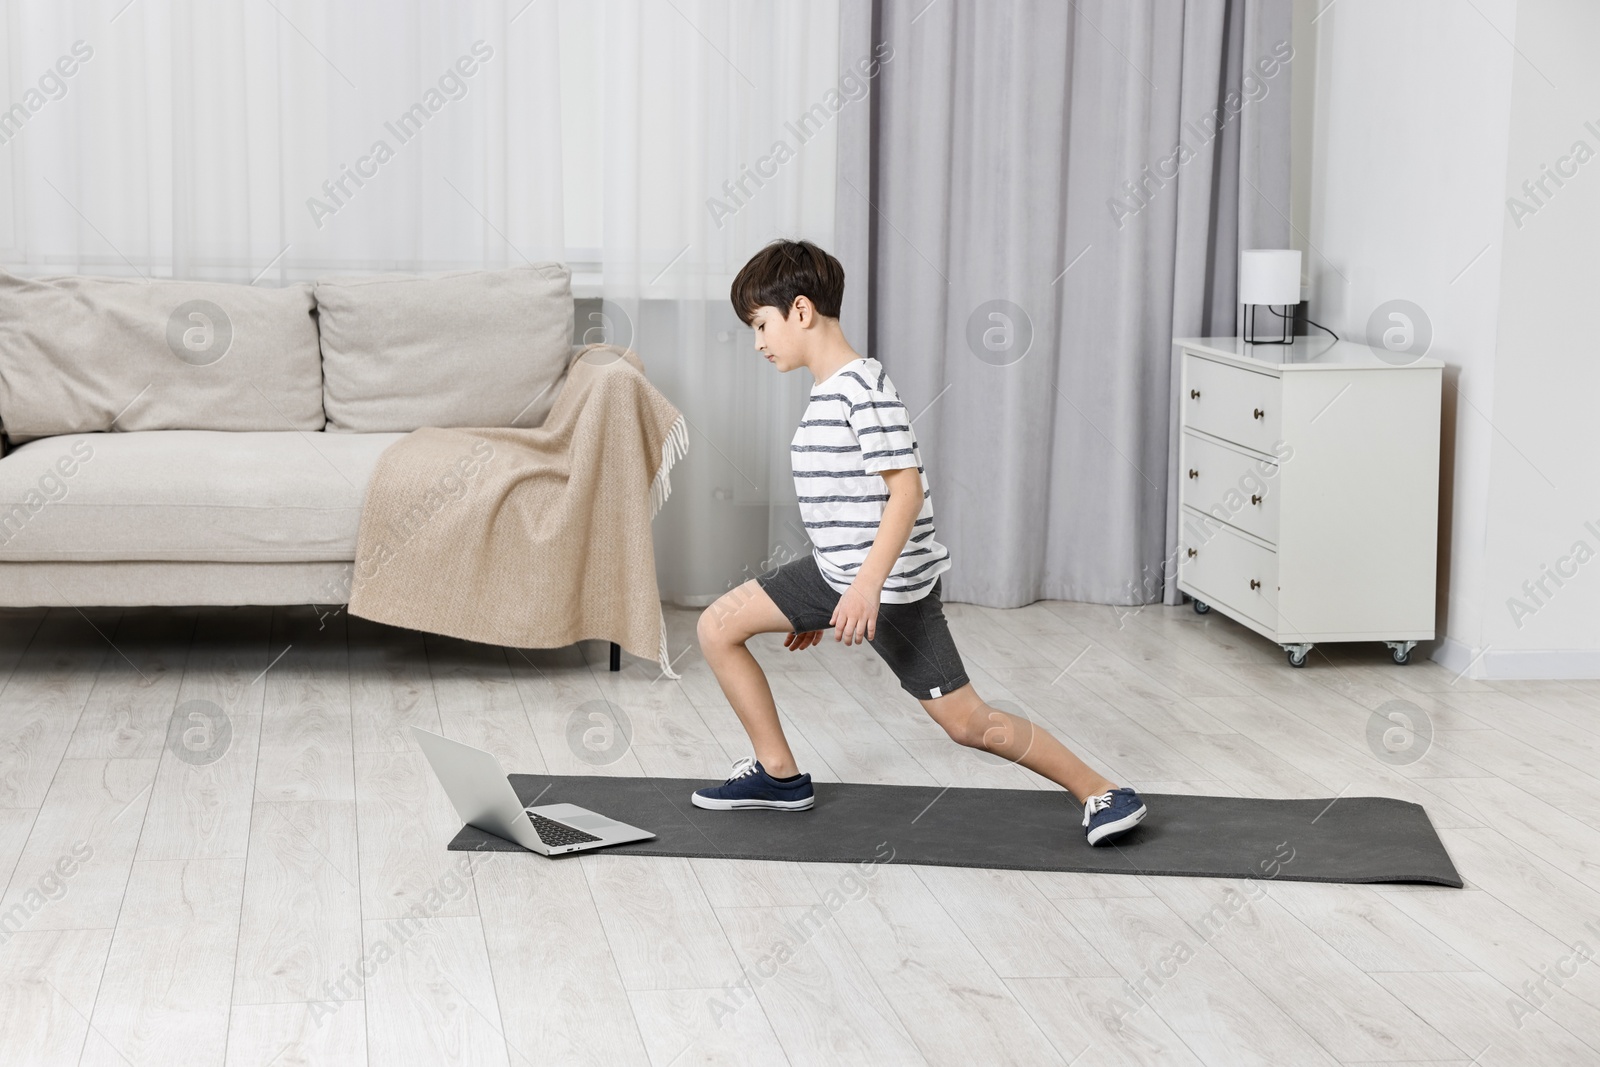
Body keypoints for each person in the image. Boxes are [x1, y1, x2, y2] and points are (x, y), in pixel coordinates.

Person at [690, 239, 1146, 846]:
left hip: (889, 587)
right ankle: (778, 776)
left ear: (800, 311)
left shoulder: (862, 390)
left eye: (761, 324)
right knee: (718, 627)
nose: (758, 342)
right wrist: (816, 601)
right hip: (837, 576)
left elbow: (904, 493)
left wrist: (864, 591)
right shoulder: (832, 391)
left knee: (965, 722)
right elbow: (846, 508)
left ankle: (1102, 792)